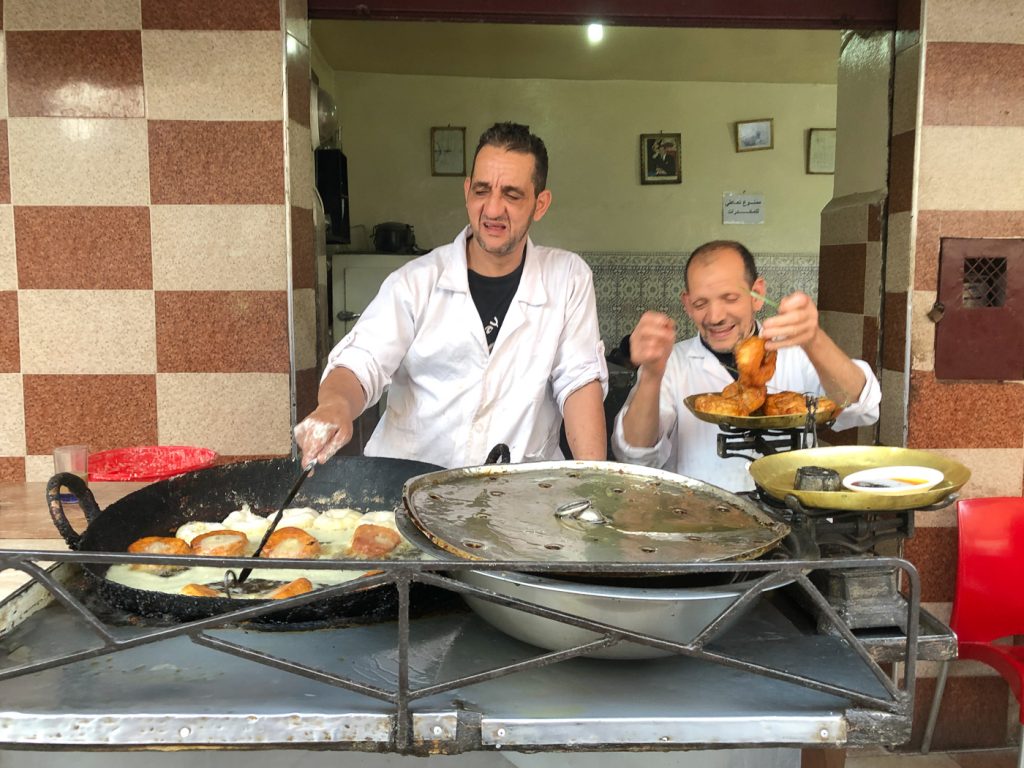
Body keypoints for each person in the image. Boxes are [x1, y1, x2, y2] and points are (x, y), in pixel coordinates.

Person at [296, 122, 608, 469]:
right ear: (466, 191)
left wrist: (593, 480)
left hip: (515, 495)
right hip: (408, 489)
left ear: (540, 203)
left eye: (512, 194)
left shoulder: (567, 278)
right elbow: (361, 363)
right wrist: (335, 406)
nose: (492, 209)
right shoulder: (416, 283)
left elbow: (579, 382)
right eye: (482, 190)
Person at [611, 240, 880, 492]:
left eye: (730, 298)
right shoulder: (672, 363)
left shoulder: (798, 352)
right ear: (687, 305)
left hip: (791, 524)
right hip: (700, 527)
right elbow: (635, 456)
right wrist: (651, 376)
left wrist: (815, 340)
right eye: (701, 303)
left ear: (757, 295)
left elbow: (863, 407)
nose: (715, 317)